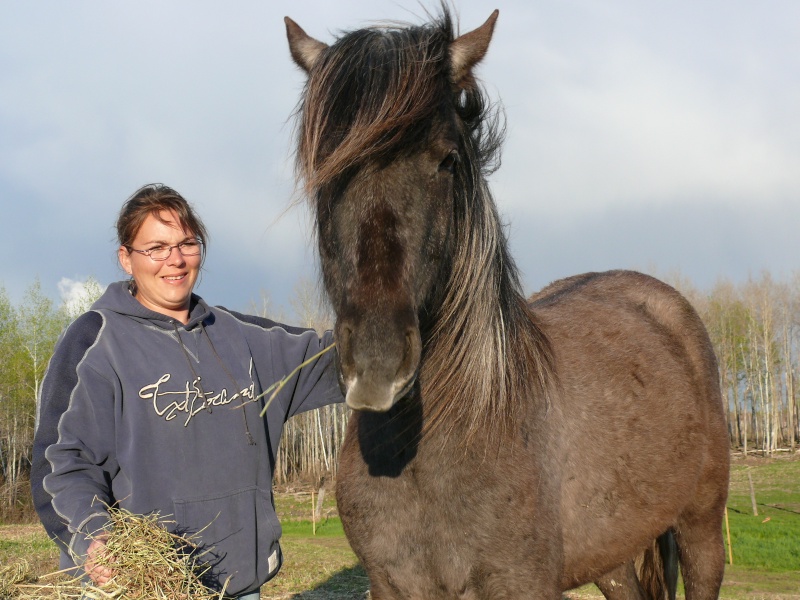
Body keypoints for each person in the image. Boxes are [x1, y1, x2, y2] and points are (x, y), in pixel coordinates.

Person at [31, 183, 343, 599]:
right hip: (143, 585)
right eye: (156, 247)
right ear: (126, 258)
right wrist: (94, 538)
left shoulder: (245, 337)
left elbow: (345, 358)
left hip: (238, 583)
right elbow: (62, 460)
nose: (174, 260)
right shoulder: (96, 341)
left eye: (187, 244)